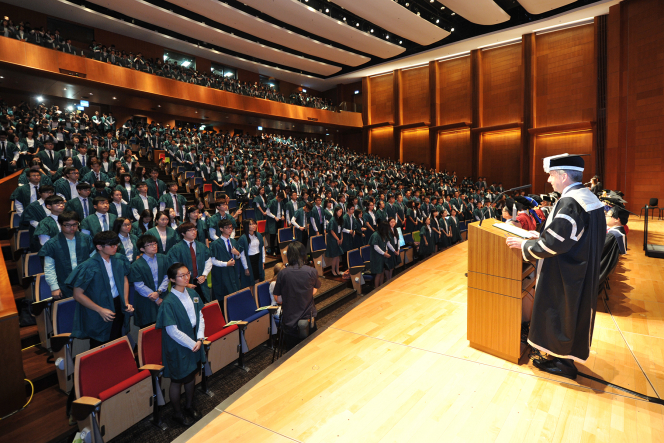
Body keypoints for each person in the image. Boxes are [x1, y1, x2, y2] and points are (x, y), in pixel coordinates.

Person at [506, 154, 606, 380]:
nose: (549, 180)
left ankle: (563, 363)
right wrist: (538, 234)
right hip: (582, 268)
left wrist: (525, 245)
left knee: (562, 313)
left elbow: (555, 243)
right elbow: (567, 234)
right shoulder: (588, 197)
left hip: (567, 272)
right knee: (572, 314)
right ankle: (562, 357)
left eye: (551, 175)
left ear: (563, 175)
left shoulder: (571, 202)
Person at [156, 262, 206, 427]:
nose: (186, 278)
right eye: (181, 275)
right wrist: (193, 343)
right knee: (178, 380)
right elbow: (172, 331)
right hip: (178, 345)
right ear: (171, 279)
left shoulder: (192, 293)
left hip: (194, 340)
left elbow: (200, 316)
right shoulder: (168, 302)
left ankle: (189, 406)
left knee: (191, 375)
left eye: (187, 274)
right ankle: (177, 413)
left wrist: (199, 338)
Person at [66, 231, 133, 348]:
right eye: (111, 245)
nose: (115, 247)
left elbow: (124, 279)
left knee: (116, 338)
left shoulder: (119, 259)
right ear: (99, 247)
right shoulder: (88, 266)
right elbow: (77, 294)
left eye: (116, 244)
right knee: (100, 343)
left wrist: (126, 302)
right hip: (97, 307)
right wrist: (100, 310)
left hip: (117, 303)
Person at [272, 241, 320, 348]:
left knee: (292, 353)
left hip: (290, 320)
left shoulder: (283, 273)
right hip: (308, 318)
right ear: (303, 254)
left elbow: (279, 299)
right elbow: (315, 289)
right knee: (311, 349)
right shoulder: (312, 271)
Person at [39, 211, 95, 299]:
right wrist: (54, 287)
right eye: (67, 225)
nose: (72, 227)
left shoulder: (87, 239)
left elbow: (94, 261)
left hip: (86, 282)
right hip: (64, 284)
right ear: (60, 224)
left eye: (75, 224)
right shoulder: (52, 244)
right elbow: (49, 268)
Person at [130, 234, 170, 327]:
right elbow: (139, 285)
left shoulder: (163, 258)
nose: (154, 246)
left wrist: (159, 291)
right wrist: (156, 298)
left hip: (163, 294)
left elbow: (167, 276)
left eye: (155, 244)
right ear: (142, 249)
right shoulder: (136, 265)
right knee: (148, 326)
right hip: (145, 299)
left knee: (166, 324)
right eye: (150, 245)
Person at [168, 223, 212, 303]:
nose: (194, 232)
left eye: (194, 229)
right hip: (183, 284)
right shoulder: (176, 249)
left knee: (199, 302)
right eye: (190, 230)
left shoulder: (201, 246)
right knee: (188, 304)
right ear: (183, 233)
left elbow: (208, 261)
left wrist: (204, 275)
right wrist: (186, 283)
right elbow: (174, 268)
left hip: (200, 281)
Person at [210, 219, 242, 302]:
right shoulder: (215, 244)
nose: (230, 230)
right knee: (223, 296)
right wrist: (226, 264)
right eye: (227, 228)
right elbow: (212, 260)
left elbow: (238, 257)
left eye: (231, 227)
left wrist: (237, 253)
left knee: (234, 293)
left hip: (233, 271)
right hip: (221, 272)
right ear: (221, 229)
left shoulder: (234, 241)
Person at [237, 218, 266, 289]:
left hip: (258, 259)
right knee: (250, 281)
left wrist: (263, 262)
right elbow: (242, 254)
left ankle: (257, 295)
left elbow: (262, 248)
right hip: (249, 260)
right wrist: (246, 268)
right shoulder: (243, 238)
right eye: (251, 224)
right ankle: (251, 296)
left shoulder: (258, 235)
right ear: (247, 226)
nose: (254, 225)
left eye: (254, 223)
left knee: (258, 278)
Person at [369, 221, 392, 289]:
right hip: (377, 257)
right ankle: (376, 288)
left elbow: (385, 243)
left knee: (382, 272)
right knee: (378, 273)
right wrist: (384, 253)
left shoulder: (382, 234)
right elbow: (376, 247)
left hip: (382, 257)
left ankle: (381, 286)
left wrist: (386, 250)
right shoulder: (375, 235)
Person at [325, 205, 344, 276]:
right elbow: (331, 230)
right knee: (335, 256)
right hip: (333, 239)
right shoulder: (333, 220)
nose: (341, 213)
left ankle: (337, 270)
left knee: (338, 256)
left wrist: (342, 238)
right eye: (340, 212)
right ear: (336, 212)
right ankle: (333, 270)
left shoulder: (339, 219)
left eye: (342, 212)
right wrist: (338, 239)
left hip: (338, 238)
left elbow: (341, 230)